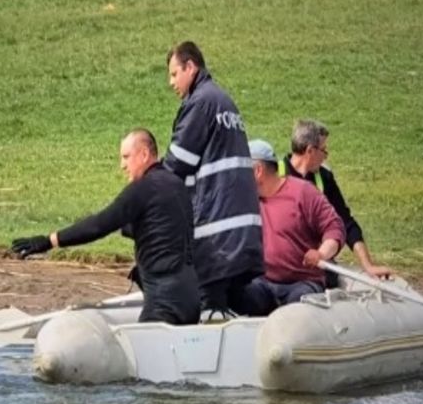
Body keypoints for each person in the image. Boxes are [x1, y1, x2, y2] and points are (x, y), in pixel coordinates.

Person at [11, 128, 200, 325]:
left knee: (137, 355)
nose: (122, 165)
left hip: (163, 305)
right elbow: (155, 228)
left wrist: (49, 241)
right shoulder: (176, 185)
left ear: (144, 155)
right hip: (191, 300)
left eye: (126, 157)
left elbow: (99, 225)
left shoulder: (142, 189)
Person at [163, 41, 263, 315]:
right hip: (241, 231)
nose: (171, 83)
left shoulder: (201, 103)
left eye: (174, 74)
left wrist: (150, 186)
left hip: (215, 233)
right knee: (233, 298)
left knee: (210, 302)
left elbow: (178, 162)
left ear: (190, 67)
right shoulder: (224, 100)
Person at [240, 139, 345, 316]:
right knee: (239, 297)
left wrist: (321, 254)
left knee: (297, 310)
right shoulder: (246, 201)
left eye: (241, 171)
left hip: (302, 282)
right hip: (263, 282)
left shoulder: (303, 192)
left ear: (258, 171)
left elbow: (334, 229)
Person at [281, 119, 393, 285]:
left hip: (314, 264)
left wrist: (368, 266)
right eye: (324, 150)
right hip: (281, 263)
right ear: (310, 151)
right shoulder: (273, 174)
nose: (326, 155)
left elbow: (345, 222)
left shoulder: (324, 178)